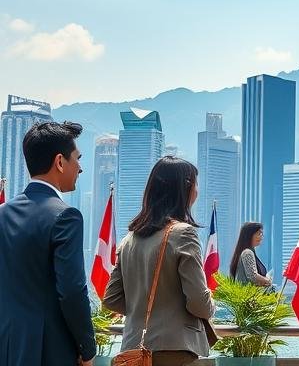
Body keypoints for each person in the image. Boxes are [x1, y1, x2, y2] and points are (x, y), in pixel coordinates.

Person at [103, 157, 216, 366]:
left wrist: (144, 308)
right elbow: (199, 303)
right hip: (173, 351)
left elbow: (111, 299)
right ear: (186, 188)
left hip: (132, 351)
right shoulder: (184, 234)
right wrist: (211, 304)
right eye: (196, 184)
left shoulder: (129, 239)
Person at [0, 121, 96, 366]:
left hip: (8, 345)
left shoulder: (2, 213)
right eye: (77, 158)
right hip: (50, 350)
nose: (80, 168)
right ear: (60, 162)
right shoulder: (66, 216)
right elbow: (72, 291)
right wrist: (87, 349)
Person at [230, 222, 272, 287]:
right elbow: (253, 276)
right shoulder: (247, 253)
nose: (261, 236)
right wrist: (267, 281)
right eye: (258, 233)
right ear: (249, 235)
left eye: (262, 234)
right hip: (248, 296)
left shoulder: (248, 252)